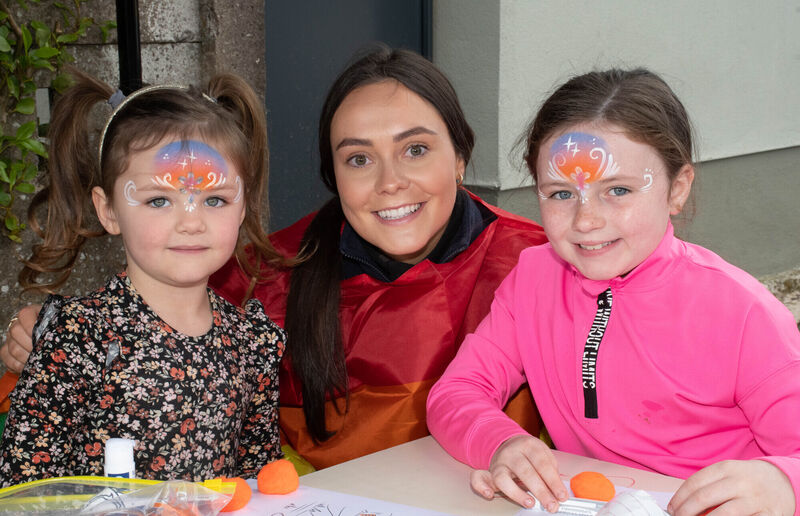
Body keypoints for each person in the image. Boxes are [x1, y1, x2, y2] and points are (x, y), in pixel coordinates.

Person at [0, 48, 548, 471]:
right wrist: (50, 332)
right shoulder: (269, 273)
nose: (390, 182)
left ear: (460, 155)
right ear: (333, 178)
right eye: (359, 158)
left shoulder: (541, 265)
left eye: (416, 149)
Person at [426, 68, 800, 516]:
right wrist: (501, 441)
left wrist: (784, 484)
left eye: (617, 190)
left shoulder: (743, 313)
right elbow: (456, 392)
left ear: (676, 189)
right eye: (561, 194)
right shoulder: (532, 281)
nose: (585, 220)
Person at [0, 70, 286, 485]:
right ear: (109, 209)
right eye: (158, 200)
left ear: (243, 206)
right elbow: (24, 485)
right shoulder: (80, 337)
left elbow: (262, 481)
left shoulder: (251, 341)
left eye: (215, 199)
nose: (191, 223)